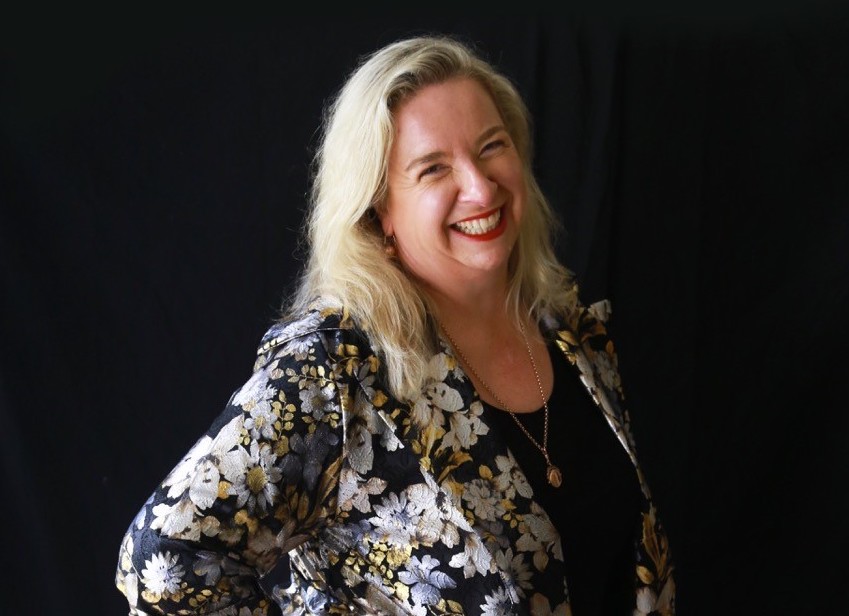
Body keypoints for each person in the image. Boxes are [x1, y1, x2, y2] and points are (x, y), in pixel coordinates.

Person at [115, 34, 675, 615]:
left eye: (491, 147)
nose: (481, 188)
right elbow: (164, 558)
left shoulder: (571, 329)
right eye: (434, 169)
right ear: (379, 210)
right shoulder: (335, 369)